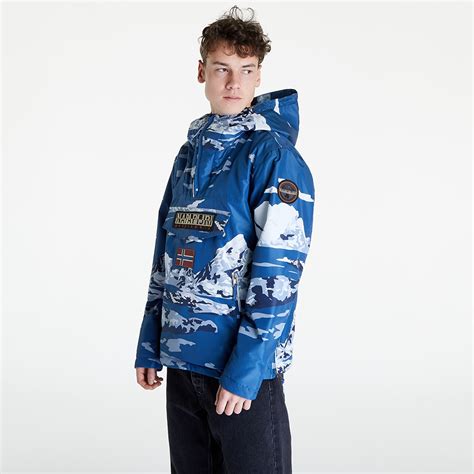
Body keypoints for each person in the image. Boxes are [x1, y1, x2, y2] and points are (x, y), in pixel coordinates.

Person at [134, 5, 315, 473]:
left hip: (241, 375)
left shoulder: (272, 157)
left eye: (246, 70)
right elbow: (165, 250)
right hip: (182, 364)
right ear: (202, 72)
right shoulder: (189, 153)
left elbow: (280, 273)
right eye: (222, 69)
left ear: (259, 77)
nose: (234, 83)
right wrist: (151, 341)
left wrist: (247, 370)